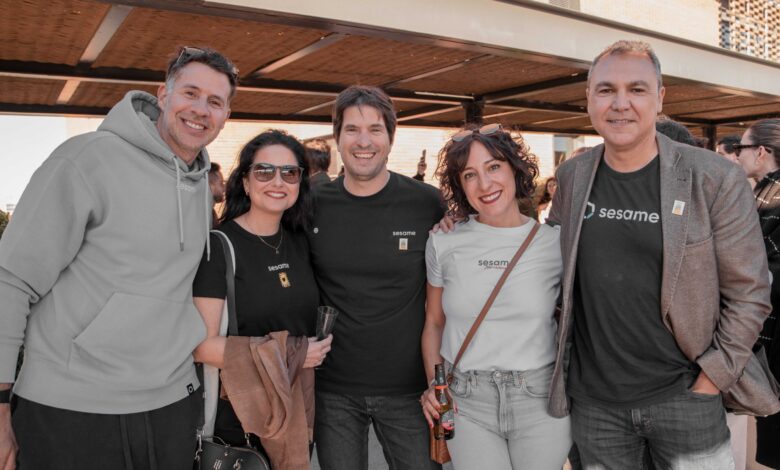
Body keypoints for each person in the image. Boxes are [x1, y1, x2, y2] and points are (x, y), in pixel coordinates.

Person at [0, 46, 237, 469]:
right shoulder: (86, 159)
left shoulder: (200, 187)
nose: (201, 110)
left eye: (215, 101)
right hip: (72, 410)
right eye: (190, 93)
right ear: (163, 95)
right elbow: (11, 279)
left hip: (169, 407)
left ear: (225, 115)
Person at [546, 40, 778, 469]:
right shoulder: (573, 175)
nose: (620, 104)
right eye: (606, 90)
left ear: (660, 97)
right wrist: (461, 223)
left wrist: (711, 379)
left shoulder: (713, 177)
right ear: (589, 98)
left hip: (686, 396)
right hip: (595, 405)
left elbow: (750, 292)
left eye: (636, 89)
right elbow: (547, 265)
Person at [308, 85, 444, 470]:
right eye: (352, 129)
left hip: (410, 389)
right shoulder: (312, 205)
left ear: (390, 138)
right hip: (333, 389)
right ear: (337, 138)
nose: (363, 141)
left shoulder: (427, 202)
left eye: (375, 129)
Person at [421, 124, 571, 469]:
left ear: (515, 169)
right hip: (466, 399)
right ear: (460, 185)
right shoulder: (443, 241)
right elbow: (433, 322)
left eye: (493, 167)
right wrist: (434, 384)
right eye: (469, 175)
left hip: (540, 397)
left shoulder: (555, 244)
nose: (484, 184)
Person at [192, 130, 331, 461]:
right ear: (245, 181)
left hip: (297, 409)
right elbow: (201, 347)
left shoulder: (300, 242)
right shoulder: (219, 248)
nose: (277, 181)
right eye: (264, 171)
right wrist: (292, 352)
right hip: (242, 418)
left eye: (289, 172)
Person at [735, 118, 780, 469]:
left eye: (742, 148)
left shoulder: (772, 197)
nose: (738, 156)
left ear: (761, 151)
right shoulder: (764, 191)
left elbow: (761, 264)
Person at [209, 161, 226, 226]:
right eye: (221, 183)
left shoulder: (211, 213)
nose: (224, 188)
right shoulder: (202, 215)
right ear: (210, 186)